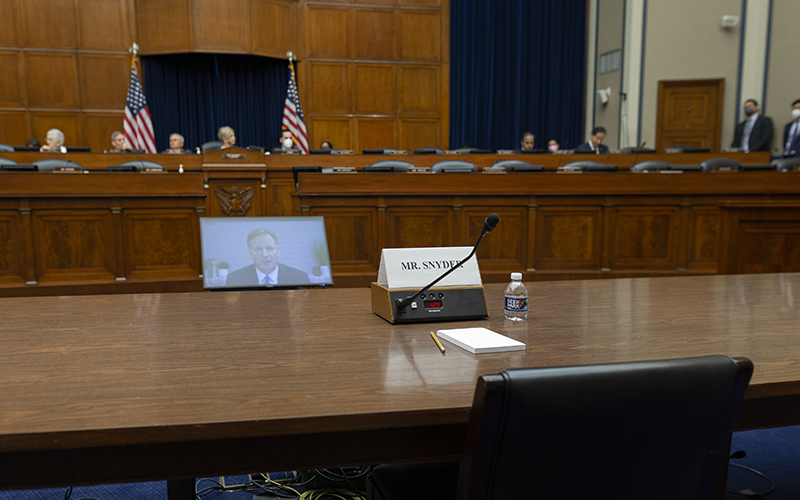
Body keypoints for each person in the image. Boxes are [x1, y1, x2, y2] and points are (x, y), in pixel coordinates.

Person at [225, 228, 310, 286]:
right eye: (258, 249)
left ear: (277, 251)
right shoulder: (235, 279)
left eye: (269, 248)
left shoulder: (299, 277)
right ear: (250, 253)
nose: (265, 254)